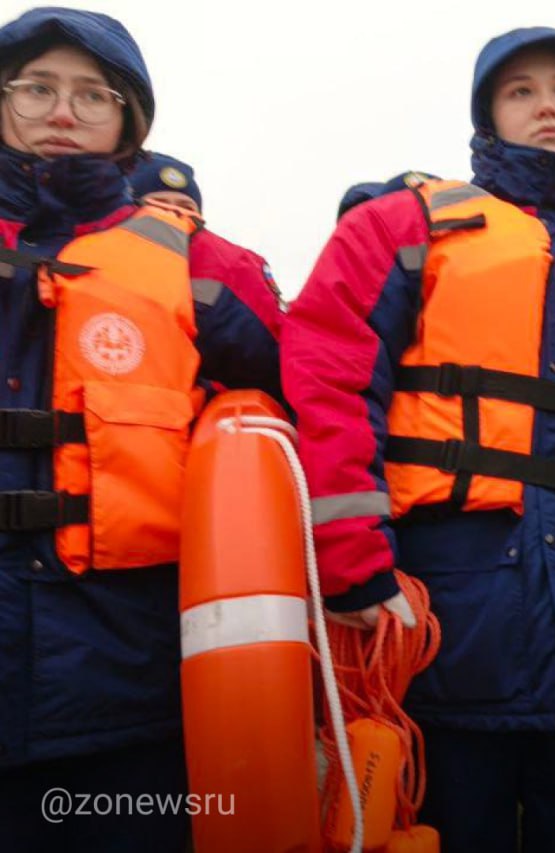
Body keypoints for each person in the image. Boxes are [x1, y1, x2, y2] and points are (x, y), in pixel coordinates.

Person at [282, 26, 555, 853]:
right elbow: (329, 371)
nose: (546, 103)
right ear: (487, 118)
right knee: (456, 829)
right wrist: (352, 561)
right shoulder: (404, 226)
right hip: (454, 614)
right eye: (520, 90)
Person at [0, 8, 282, 852]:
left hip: (127, 681)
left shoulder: (203, 266)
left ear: (129, 121)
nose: (62, 112)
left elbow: (300, 404)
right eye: (36, 88)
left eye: (94, 95)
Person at [131, 151, 287, 358]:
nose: (173, 213)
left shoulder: (234, 265)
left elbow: (269, 349)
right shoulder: (98, 253)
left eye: (186, 206)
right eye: (158, 203)